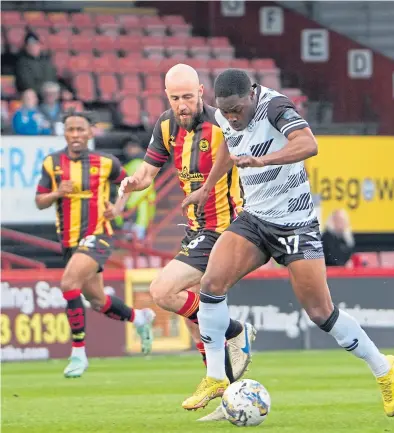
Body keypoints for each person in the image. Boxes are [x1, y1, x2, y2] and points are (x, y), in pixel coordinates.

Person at [181, 69, 394, 417]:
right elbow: (228, 143)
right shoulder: (226, 115)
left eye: (238, 109)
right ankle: (215, 377)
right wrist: (208, 187)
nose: (233, 117)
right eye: (226, 112)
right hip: (255, 220)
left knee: (321, 313)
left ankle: (383, 368)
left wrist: (264, 159)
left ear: (252, 94)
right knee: (210, 284)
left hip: (294, 223)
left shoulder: (274, 107)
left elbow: (308, 143)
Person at [115, 64, 256, 421]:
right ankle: (225, 391)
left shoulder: (222, 124)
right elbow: (148, 173)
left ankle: (234, 332)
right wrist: (133, 183)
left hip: (225, 229)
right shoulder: (165, 126)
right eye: (176, 98)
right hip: (196, 230)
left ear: (201, 93)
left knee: (163, 292)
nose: (182, 105)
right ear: (167, 96)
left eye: (188, 97)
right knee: (196, 317)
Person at [35, 109, 155, 378]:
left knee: (68, 284)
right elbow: (40, 200)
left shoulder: (106, 162)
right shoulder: (52, 163)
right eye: (71, 130)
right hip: (69, 241)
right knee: (98, 301)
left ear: (90, 132)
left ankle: (78, 353)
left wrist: (118, 206)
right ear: (64, 133)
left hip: (98, 235)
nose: (75, 135)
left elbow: (130, 183)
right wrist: (57, 192)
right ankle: (140, 317)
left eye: (80, 129)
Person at [114, 136, 156, 240]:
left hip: (136, 209)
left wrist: (127, 204)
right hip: (131, 209)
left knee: (136, 239)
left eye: (132, 146)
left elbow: (142, 187)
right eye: (126, 147)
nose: (128, 150)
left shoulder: (140, 164)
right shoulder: (131, 164)